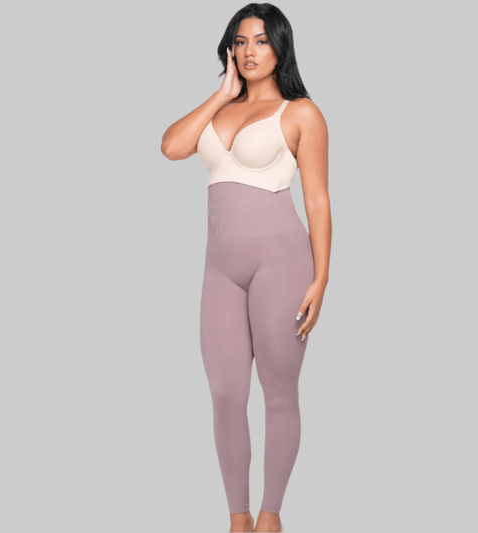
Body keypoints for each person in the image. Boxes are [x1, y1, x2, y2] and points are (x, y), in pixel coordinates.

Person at [161, 3, 331, 532]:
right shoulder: (220, 109)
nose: (249, 50)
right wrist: (222, 93)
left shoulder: (301, 113)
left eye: (260, 40)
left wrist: (322, 279)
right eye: (240, 41)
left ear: (280, 46)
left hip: (282, 264)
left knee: (278, 393)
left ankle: (270, 515)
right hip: (220, 270)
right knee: (225, 394)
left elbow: (318, 200)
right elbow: (172, 147)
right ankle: (237, 518)